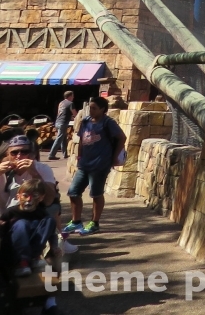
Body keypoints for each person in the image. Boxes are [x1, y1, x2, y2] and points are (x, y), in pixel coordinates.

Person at [64, 96, 125, 236]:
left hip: (100, 164)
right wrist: (79, 156)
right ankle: (76, 221)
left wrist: (114, 157)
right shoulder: (86, 121)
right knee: (73, 192)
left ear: (102, 109)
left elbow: (122, 137)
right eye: (90, 108)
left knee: (96, 194)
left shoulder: (108, 123)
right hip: (84, 164)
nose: (91, 110)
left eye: (94, 108)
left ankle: (94, 223)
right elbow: (81, 139)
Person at [1, 179, 55, 276]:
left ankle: (34, 257)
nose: (29, 199)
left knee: (49, 220)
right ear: (18, 197)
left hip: (32, 247)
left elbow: (51, 233)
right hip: (14, 248)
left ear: (41, 198)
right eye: (25, 196)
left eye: (34, 196)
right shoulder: (11, 212)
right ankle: (22, 262)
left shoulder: (41, 213)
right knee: (22, 223)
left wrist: (54, 247)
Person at [48, 92, 75, 161]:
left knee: (63, 139)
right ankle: (51, 154)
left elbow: (62, 113)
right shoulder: (70, 103)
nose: (73, 97)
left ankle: (65, 154)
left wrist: (70, 117)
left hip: (58, 122)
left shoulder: (61, 103)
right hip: (63, 123)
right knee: (59, 139)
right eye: (72, 96)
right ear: (70, 96)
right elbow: (75, 114)